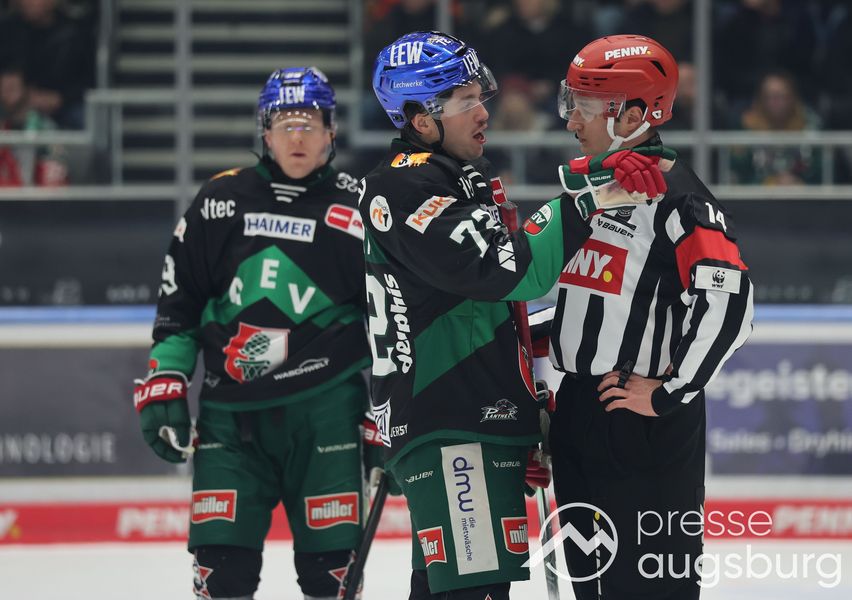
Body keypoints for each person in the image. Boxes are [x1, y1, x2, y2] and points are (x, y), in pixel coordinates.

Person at [363, 30, 672, 599]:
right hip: (453, 421)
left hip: (474, 417)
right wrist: (594, 194)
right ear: (421, 119)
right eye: (465, 101)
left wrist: (519, 404)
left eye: (481, 94)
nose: (485, 111)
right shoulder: (406, 186)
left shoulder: (454, 177)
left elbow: (486, 311)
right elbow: (509, 272)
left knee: (448, 590)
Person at [133, 67, 372, 600]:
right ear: (265, 131)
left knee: (331, 577)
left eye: (310, 124)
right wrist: (166, 375)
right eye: (285, 124)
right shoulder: (220, 200)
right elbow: (180, 301)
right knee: (222, 576)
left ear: (332, 131)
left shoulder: (361, 206)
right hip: (230, 416)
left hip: (327, 413)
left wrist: (389, 410)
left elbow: (390, 319)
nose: (297, 137)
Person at [546, 34, 754, 600]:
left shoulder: (681, 199)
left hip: (640, 421)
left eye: (584, 108)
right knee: (591, 585)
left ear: (633, 115)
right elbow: (584, 301)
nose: (571, 122)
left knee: (650, 587)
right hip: (580, 410)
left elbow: (731, 303)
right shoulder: (592, 188)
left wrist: (670, 393)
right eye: (571, 104)